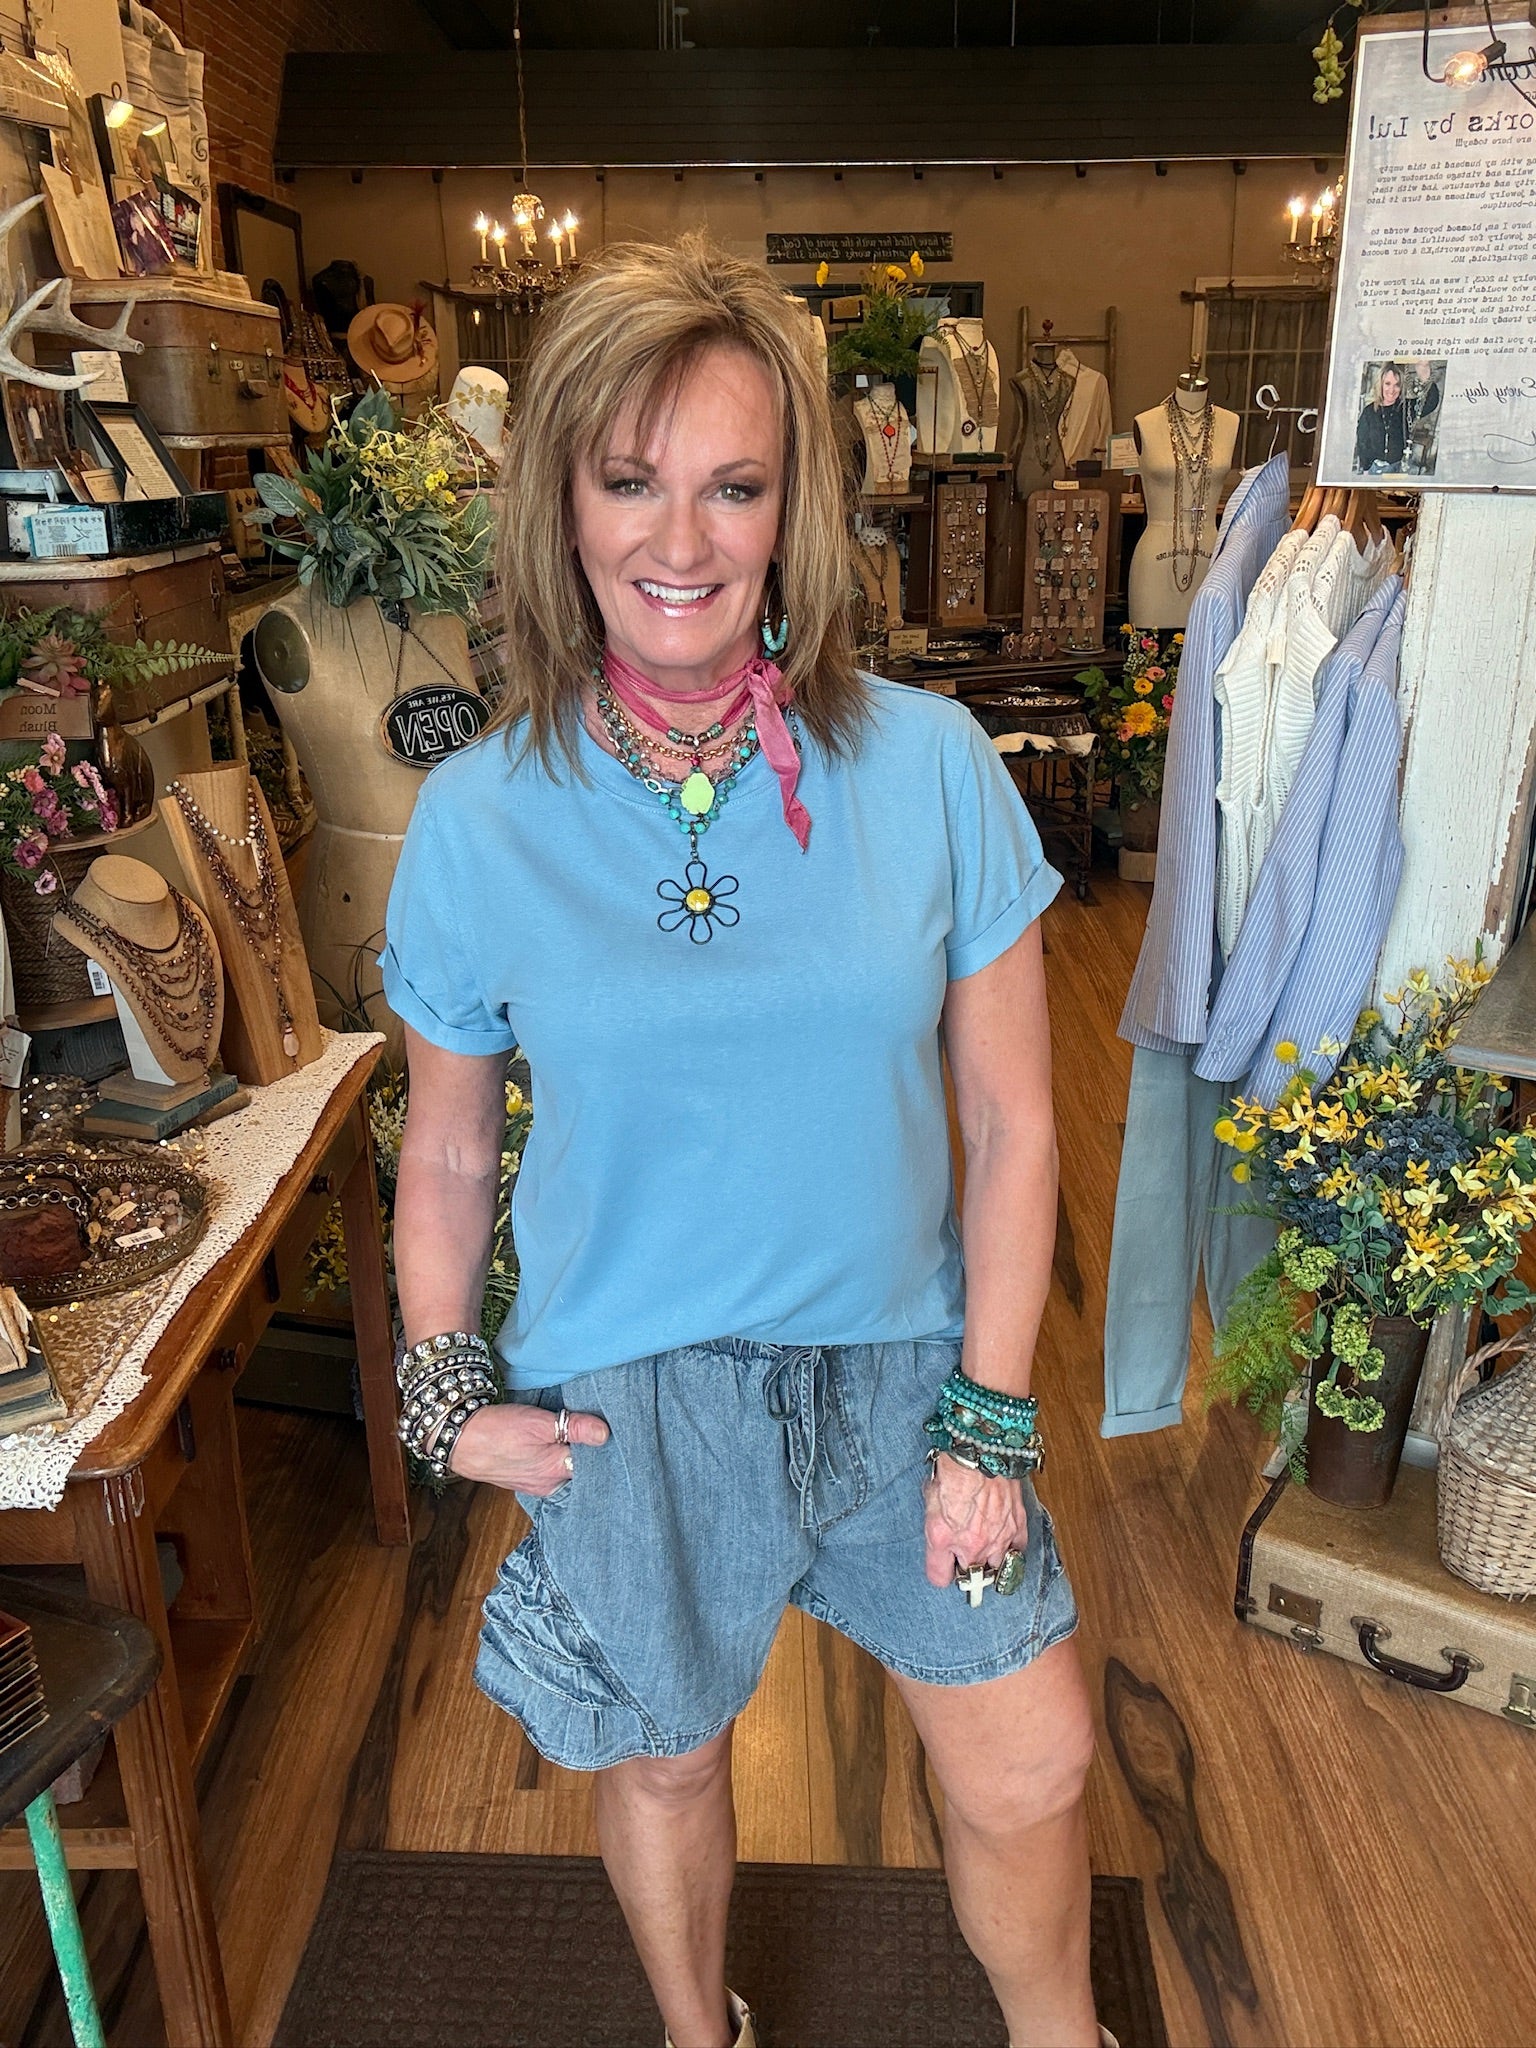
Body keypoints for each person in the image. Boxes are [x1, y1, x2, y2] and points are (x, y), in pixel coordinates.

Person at [381, 234, 1106, 2048]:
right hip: (631, 1401)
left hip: (910, 1377)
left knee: (1031, 1756)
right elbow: (451, 1147)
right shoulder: (478, 817)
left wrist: (990, 1407)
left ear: (797, 511)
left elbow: (1014, 1118)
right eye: (631, 481)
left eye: (734, 485)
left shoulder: (931, 765)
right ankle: (700, 2035)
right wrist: (444, 1385)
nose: (682, 541)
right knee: (670, 1763)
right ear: (562, 499)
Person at [1354, 361, 1407, 474]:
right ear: (1380, 384)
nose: (1392, 390)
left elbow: (1430, 401)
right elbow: (1362, 442)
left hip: (1397, 469)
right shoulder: (1369, 412)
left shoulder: (1405, 409)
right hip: (1374, 469)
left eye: (1397, 385)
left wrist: (1424, 371)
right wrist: (1366, 468)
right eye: (1387, 383)